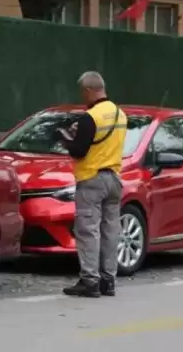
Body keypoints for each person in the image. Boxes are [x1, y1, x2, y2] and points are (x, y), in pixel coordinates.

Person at [59, 71, 127, 298]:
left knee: (88, 230)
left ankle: (90, 281)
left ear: (88, 91)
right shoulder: (121, 115)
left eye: (82, 93)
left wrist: (66, 139)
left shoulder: (90, 117)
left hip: (91, 179)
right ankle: (109, 280)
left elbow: (79, 151)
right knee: (110, 230)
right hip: (115, 178)